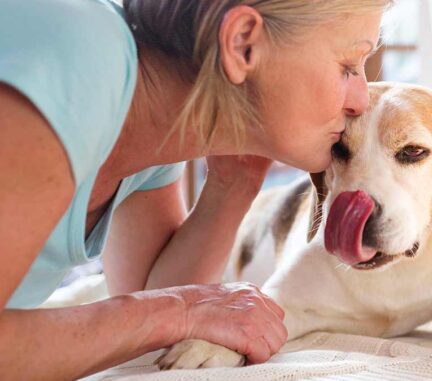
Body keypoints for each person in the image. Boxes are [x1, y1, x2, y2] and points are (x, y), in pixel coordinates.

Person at [0, 0, 389, 379]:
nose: (361, 100)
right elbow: (162, 311)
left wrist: (236, 182)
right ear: (242, 44)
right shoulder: (77, 55)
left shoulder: (153, 121)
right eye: (348, 66)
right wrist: (179, 310)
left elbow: (147, 320)